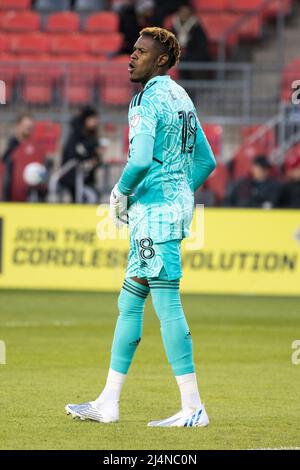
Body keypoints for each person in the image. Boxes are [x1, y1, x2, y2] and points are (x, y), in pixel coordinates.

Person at [66, 27, 216, 427]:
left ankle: (193, 407)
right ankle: (108, 401)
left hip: (156, 214)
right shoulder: (182, 97)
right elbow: (206, 162)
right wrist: (179, 191)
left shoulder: (146, 99)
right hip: (166, 209)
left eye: (141, 52)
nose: (132, 57)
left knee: (167, 306)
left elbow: (141, 160)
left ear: (161, 60)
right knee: (130, 301)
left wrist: (120, 192)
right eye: (132, 50)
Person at [60, 106, 102, 203]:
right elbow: (72, 156)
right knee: (90, 197)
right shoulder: (75, 137)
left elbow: (97, 159)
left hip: (86, 179)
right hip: (73, 178)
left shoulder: (92, 136)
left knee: (92, 195)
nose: (95, 122)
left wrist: (97, 158)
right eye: (93, 119)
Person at [1, 114, 34, 201]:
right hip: (11, 189)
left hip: (30, 189)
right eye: (26, 127)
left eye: (30, 127)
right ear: (18, 126)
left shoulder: (34, 147)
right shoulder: (10, 145)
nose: (28, 130)